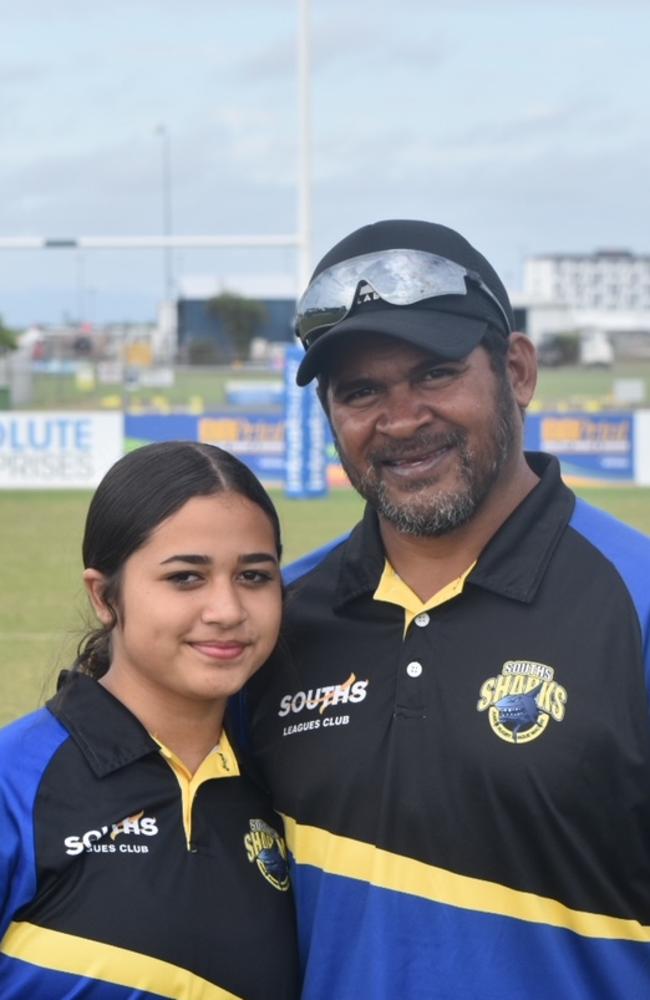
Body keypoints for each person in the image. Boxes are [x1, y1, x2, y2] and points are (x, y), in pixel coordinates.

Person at [243, 220, 650, 999]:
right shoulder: (278, 621)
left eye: (434, 373)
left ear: (519, 370)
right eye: (360, 392)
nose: (400, 420)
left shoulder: (636, 603)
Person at [0, 441, 299, 999]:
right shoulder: (14, 783)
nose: (227, 611)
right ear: (104, 596)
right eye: (186, 577)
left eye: (254, 576)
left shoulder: (290, 780)